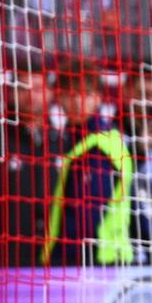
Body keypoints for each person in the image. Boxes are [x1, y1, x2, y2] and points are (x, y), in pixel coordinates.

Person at [0, 66, 61, 267]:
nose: (31, 96)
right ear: (11, 92)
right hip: (7, 268)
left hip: (59, 264)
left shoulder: (63, 143)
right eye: (23, 88)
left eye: (37, 88)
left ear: (50, 93)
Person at [41, 61, 135, 267]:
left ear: (99, 97)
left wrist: (55, 263)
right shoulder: (96, 139)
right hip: (108, 260)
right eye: (70, 94)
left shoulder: (97, 147)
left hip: (93, 263)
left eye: (85, 93)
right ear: (59, 97)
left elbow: (86, 219)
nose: (77, 101)